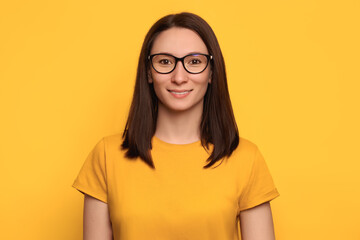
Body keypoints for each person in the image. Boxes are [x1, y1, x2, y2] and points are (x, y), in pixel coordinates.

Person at [73, 12, 280, 240]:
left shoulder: (246, 158)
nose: (179, 76)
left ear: (211, 72)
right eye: (165, 62)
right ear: (148, 72)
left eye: (194, 61)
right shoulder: (106, 155)